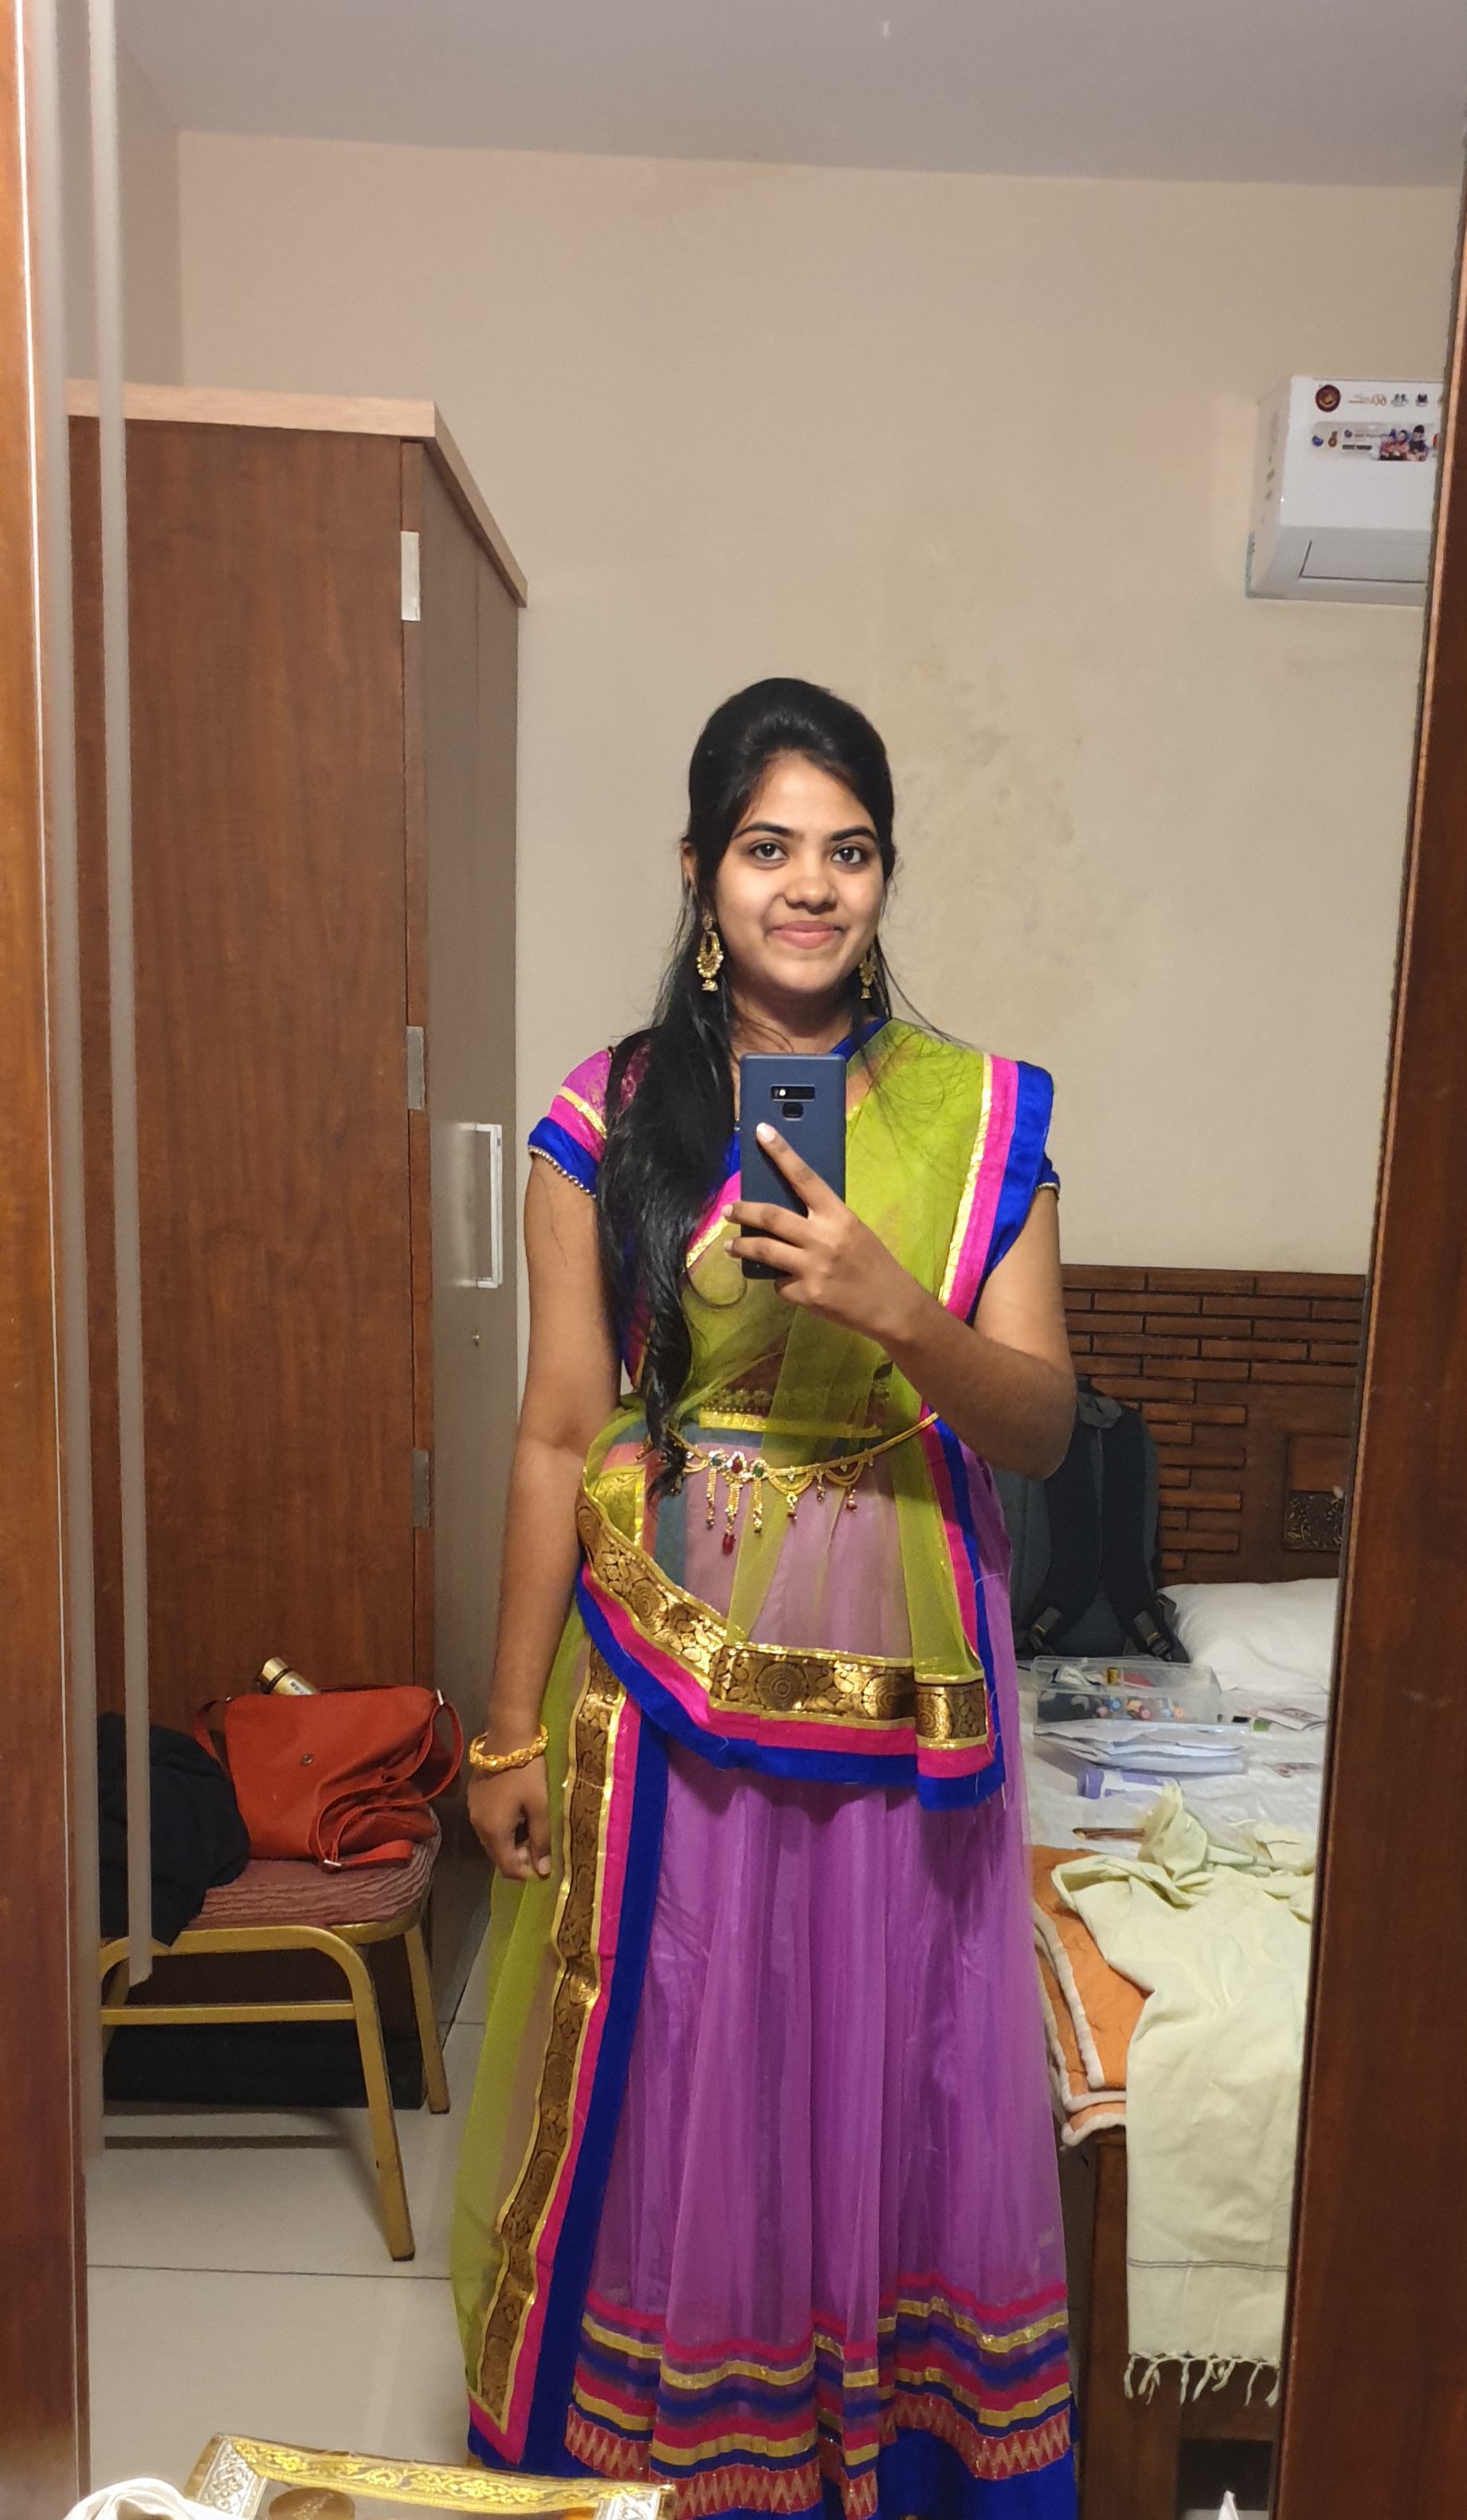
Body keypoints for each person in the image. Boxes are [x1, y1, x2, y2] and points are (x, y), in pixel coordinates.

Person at [452, 678, 1080, 2520]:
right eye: (766, 847)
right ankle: (686, 2459)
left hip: (903, 1680)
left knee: (884, 2056)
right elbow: (555, 1428)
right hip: (667, 1677)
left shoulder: (977, 1115)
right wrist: (501, 1728)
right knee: (686, 2047)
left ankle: (880, 2450)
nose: (808, 886)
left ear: (884, 875)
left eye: (847, 849)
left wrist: (898, 1308)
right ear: (698, 872)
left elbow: (1041, 1426)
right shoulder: (609, 1114)